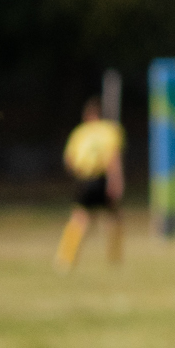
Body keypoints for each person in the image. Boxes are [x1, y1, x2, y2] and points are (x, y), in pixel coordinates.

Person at [53, 98, 124, 270]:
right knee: (114, 219)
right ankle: (114, 258)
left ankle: (65, 258)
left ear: (87, 115)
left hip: (84, 179)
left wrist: (78, 175)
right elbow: (113, 159)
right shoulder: (109, 131)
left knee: (80, 219)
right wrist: (116, 181)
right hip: (102, 178)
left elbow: (69, 160)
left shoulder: (80, 133)